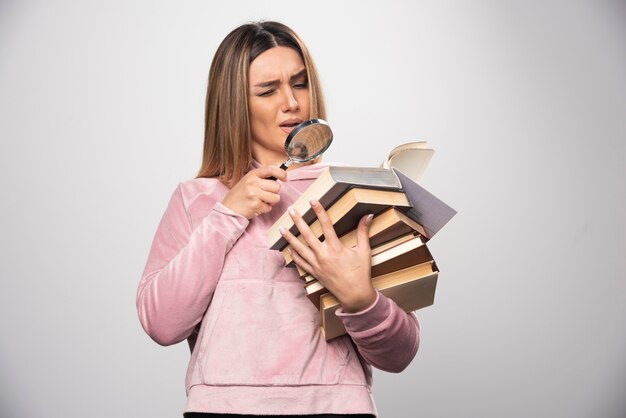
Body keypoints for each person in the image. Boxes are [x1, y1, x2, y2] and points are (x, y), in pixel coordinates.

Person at [136, 21, 420, 418]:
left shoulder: (352, 190)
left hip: (338, 408)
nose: (291, 102)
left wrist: (360, 298)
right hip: (224, 409)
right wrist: (228, 213)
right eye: (268, 90)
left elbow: (400, 354)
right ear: (235, 103)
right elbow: (162, 324)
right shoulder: (195, 198)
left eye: (300, 84)